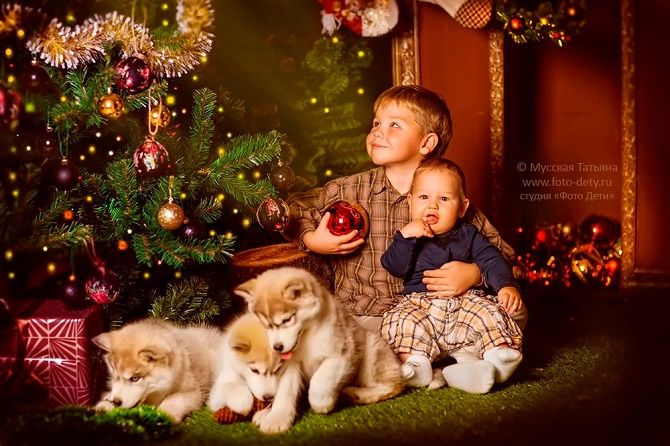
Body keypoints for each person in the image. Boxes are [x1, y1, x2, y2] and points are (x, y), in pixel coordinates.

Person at [282, 84, 525, 333]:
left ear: (426, 143)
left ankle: (455, 355)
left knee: (512, 313)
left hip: (436, 311)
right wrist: (312, 240)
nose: (377, 132)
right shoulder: (347, 189)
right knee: (361, 339)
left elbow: (503, 254)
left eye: (394, 125)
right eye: (376, 123)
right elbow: (292, 208)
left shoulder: (446, 194)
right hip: (366, 312)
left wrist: (474, 274)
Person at [380, 158, 523, 393]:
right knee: (401, 320)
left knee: (490, 312)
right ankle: (415, 364)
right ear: (410, 201)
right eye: (424, 197)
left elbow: (491, 260)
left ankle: (496, 358)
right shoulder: (409, 236)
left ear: (462, 208)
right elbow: (394, 266)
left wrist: (506, 286)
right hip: (420, 306)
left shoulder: (469, 235)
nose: (432, 206)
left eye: (444, 199)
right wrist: (405, 236)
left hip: (464, 304)